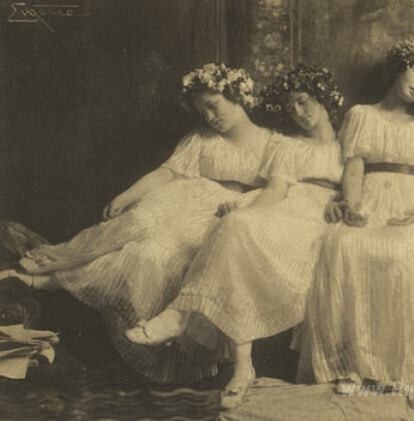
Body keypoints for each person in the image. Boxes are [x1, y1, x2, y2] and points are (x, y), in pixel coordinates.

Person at [0, 63, 278, 383]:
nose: (210, 117)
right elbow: (167, 172)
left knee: (153, 254)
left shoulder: (272, 144)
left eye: (214, 106)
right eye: (203, 112)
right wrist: (127, 195)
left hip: (221, 216)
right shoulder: (201, 139)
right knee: (135, 225)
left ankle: (55, 281)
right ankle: (52, 263)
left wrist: (243, 205)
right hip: (182, 199)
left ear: (237, 96)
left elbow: (278, 192)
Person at [125, 65, 346, 409]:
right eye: (291, 108)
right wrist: (249, 211)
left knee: (237, 230)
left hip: (321, 217)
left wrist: (344, 202)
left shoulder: (349, 144)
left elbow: (362, 185)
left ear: (323, 97)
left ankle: (183, 316)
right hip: (286, 207)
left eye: (304, 102)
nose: (299, 113)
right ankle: (240, 364)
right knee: (235, 226)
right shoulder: (286, 144)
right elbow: (275, 190)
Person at [297, 39, 414, 396]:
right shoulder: (362, 115)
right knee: (343, 246)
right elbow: (353, 168)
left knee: (407, 253)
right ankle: (351, 364)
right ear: (401, 67)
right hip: (370, 196)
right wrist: (352, 205)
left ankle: (397, 369)